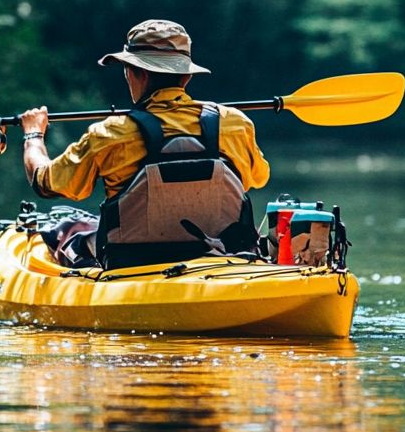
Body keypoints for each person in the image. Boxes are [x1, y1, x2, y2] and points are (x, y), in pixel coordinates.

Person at [19, 19, 270, 269]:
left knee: (67, 233)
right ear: (186, 76)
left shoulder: (110, 133)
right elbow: (258, 178)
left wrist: (33, 135)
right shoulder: (235, 123)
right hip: (223, 259)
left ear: (137, 72)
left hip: (132, 265)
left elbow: (46, 183)